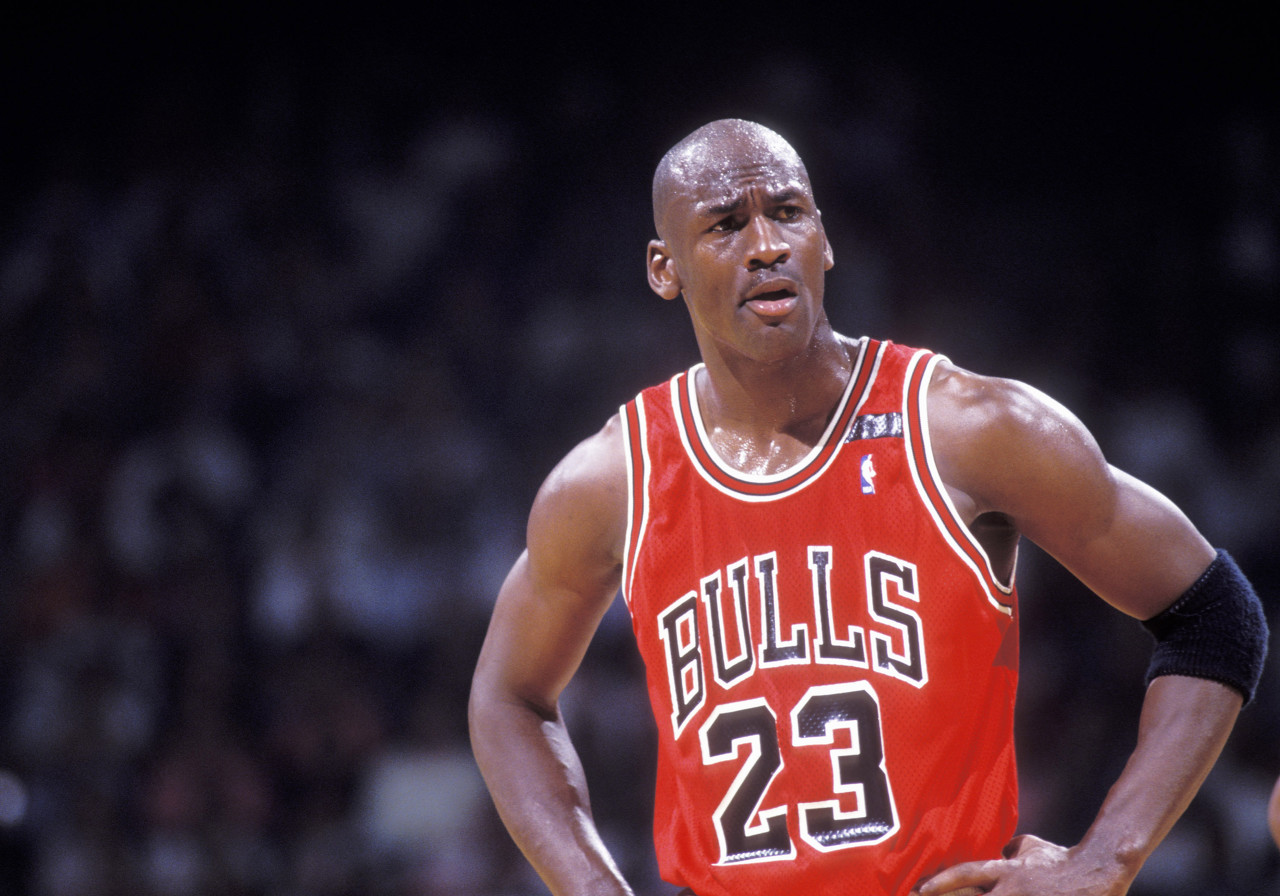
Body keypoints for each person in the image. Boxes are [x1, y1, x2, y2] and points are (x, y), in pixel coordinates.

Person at [468, 119, 1268, 896]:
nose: (766, 245)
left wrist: (1106, 860)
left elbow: (1214, 614)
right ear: (662, 268)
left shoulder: (966, 428)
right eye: (725, 225)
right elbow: (507, 697)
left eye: (788, 213)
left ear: (823, 238)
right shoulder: (614, 480)